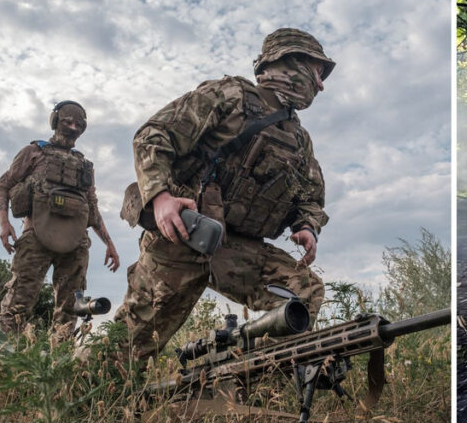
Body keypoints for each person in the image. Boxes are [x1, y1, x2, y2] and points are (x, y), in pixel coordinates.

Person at [116, 28, 333, 364]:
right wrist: (160, 197)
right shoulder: (230, 95)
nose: (321, 85)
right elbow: (152, 135)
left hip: (236, 250)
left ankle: (253, 378)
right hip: (183, 235)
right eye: (318, 72)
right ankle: (76, 398)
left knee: (303, 292)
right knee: (132, 347)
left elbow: (310, 196)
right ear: (291, 62)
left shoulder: (299, 139)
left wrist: (307, 225)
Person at [0, 100, 120, 339]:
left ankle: (59, 366)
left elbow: (92, 207)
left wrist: (109, 243)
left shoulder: (84, 165)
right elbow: (3, 185)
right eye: (67, 122)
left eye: (78, 124)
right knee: (16, 307)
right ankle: (0, 364)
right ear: (55, 122)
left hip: (75, 243)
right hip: (36, 238)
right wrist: (5, 223)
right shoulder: (33, 152)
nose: (73, 127)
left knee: (69, 311)